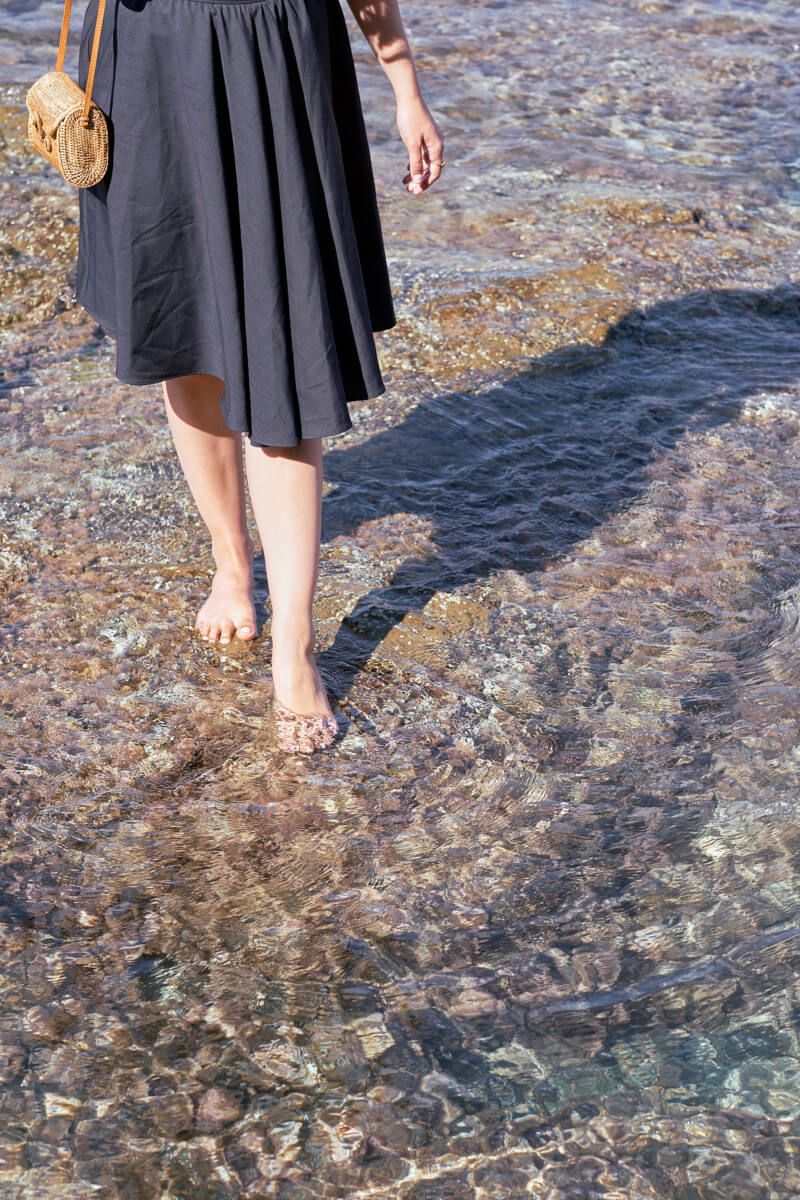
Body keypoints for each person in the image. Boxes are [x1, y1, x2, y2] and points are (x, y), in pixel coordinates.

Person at [76, 0, 444, 754]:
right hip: (152, 58)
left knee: (287, 356)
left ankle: (295, 645)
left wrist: (403, 83)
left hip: (270, 56)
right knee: (187, 329)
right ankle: (230, 566)